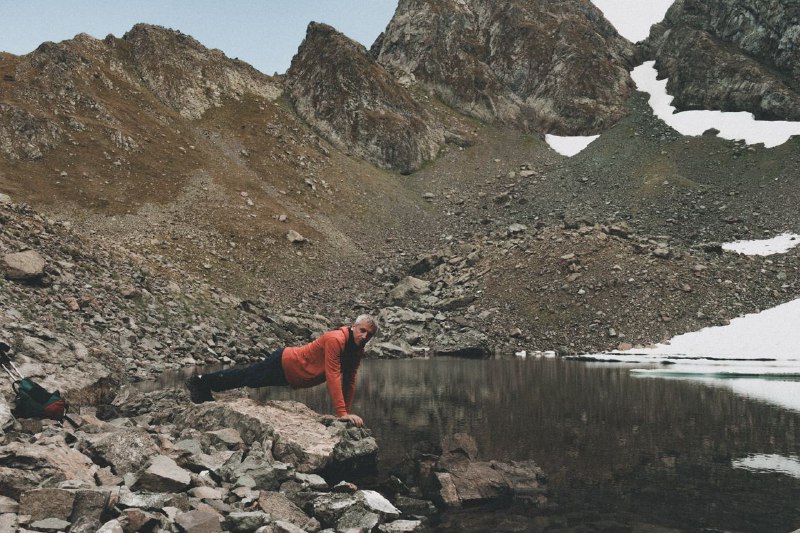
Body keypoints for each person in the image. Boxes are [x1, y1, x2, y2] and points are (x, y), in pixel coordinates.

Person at [185, 315, 377, 427]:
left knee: (249, 378)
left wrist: (345, 414)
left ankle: (204, 383)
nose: (365, 336)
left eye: (369, 334)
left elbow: (350, 380)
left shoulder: (357, 350)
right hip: (285, 363)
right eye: (362, 330)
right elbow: (333, 375)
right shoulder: (336, 339)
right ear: (353, 327)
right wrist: (342, 413)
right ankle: (200, 381)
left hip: (291, 374)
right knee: (247, 377)